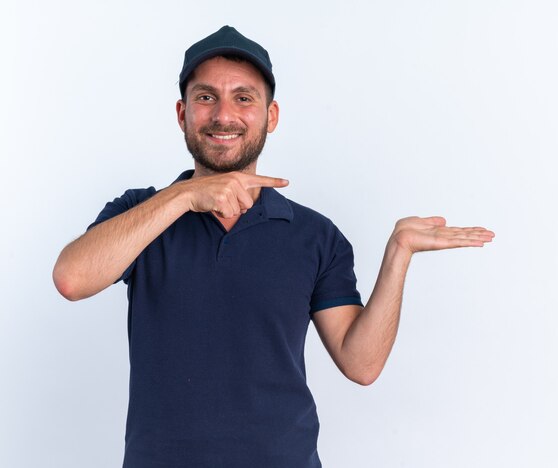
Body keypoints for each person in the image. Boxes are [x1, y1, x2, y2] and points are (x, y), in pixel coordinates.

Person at [53, 25, 494, 468]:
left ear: (271, 116)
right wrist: (184, 196)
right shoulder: (140, 212)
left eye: (244, 98)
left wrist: (398, 254)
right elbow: (72, 278)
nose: (224, 114)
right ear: (182, 114)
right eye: (206, 97)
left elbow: (361, 364)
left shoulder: (314, 235)